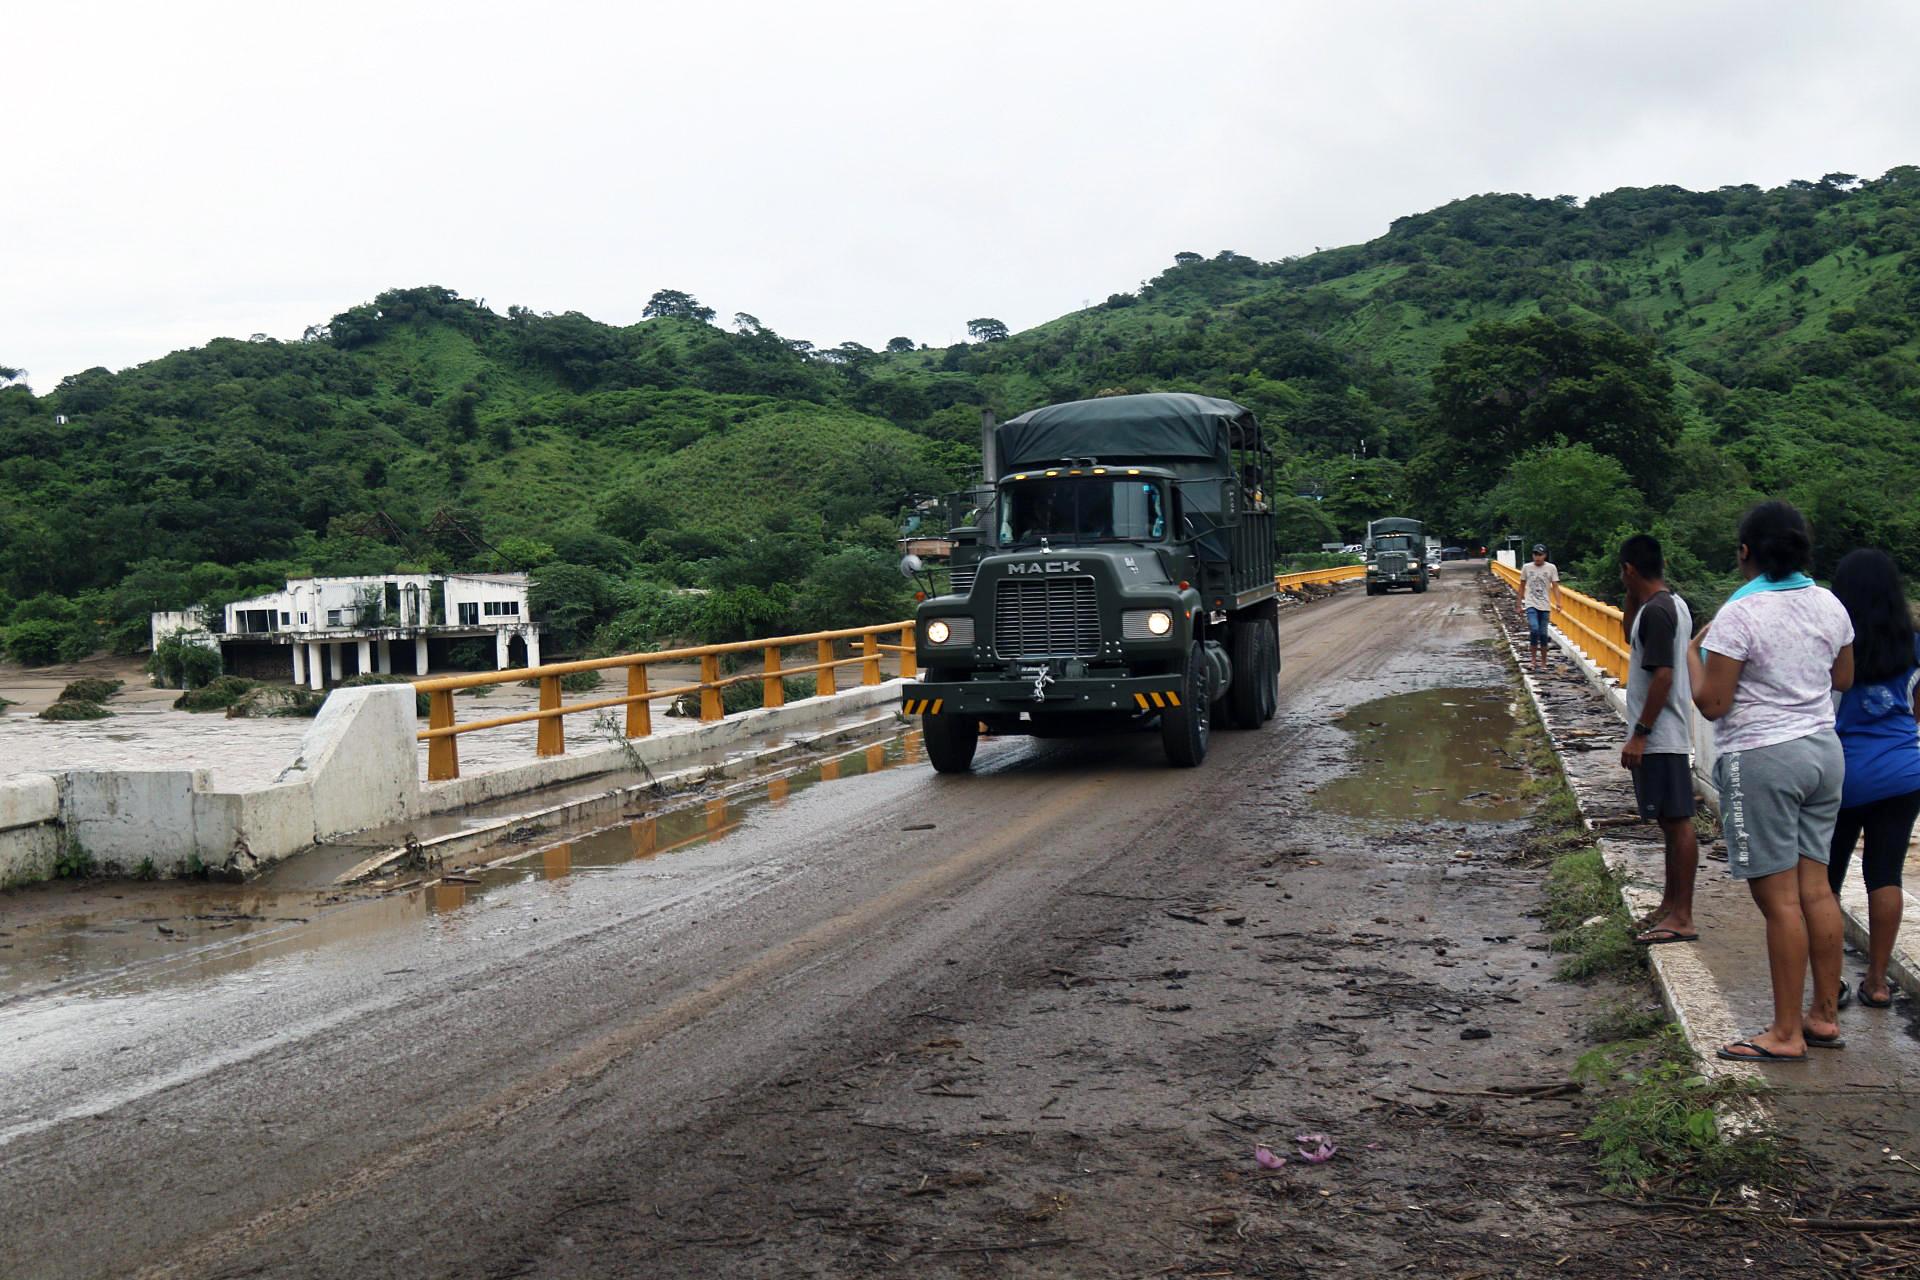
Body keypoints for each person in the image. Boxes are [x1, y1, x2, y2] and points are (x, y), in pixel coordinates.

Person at [1687, 501, 1854, 1063]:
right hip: (1823, 754)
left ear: (1745, 553)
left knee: (1779, 902)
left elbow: (1711, 703)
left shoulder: (1741, 612)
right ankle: (1822, 1017)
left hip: (1763, 757)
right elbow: (1844, 677)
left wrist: (1692, 654)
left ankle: (1784, 1034)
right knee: (1816, 889)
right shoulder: (1830, 602)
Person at [1827, 548, 1920, 1009]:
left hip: (1839, 775)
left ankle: (1830, 985)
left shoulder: (1832, 639)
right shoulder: (1914, 641)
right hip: (1902, 774)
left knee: (1826, 879)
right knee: (1885, 875)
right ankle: (1879, 983)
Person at [1617, 534, 1699, 947]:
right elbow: (1629, 632)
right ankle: (1670, 904)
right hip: (1663, 735)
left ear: (1629, 569)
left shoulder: (1660, 612)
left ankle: (1682, 915)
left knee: (1679, 821)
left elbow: (1663, 676)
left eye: (1623, 572)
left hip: (1662, 736)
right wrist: (1631, 594)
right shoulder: (1668, 605)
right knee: (1669, 822)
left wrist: (1640, 735)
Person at [1518, 544, 1560, 670]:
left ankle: (1543, 663)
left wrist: (1559, 602)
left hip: (1545, 605)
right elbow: (1521, 586)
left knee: (1543, 634)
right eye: (1535, 554)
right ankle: (1533, 660)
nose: (1537, 557)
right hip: (1531, 603)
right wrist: (1519, 604)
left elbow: (1556, 587)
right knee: (1534, 629)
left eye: (1540, 555)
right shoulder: (1526, 567)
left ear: (1545, 556)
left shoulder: (1551, 568)